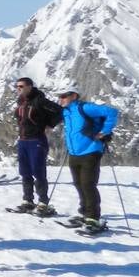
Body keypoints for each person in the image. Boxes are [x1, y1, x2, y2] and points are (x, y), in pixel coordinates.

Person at [56, 86, 119, 235]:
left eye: (64, 96)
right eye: (60, 96)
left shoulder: (85, 108)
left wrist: (105, 131)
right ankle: (84, 213)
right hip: (74, 152)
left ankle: (93, 218)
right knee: (78, 183)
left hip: (91, 150)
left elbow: (112, 112)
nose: (61, 99)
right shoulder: (66, 112)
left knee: (88, 184)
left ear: (74, 96)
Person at [12, 77, 58, 216]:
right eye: (17, 86)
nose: (18, 89)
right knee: (25, 172)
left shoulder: (40, 100)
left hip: (37, 140)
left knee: (38, 173)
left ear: (30, 86)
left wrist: (50, 125)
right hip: (23, 141)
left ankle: (43, 202)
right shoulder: (20, 101)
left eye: (21, 86)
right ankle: (28, 201)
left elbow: (59, 111)